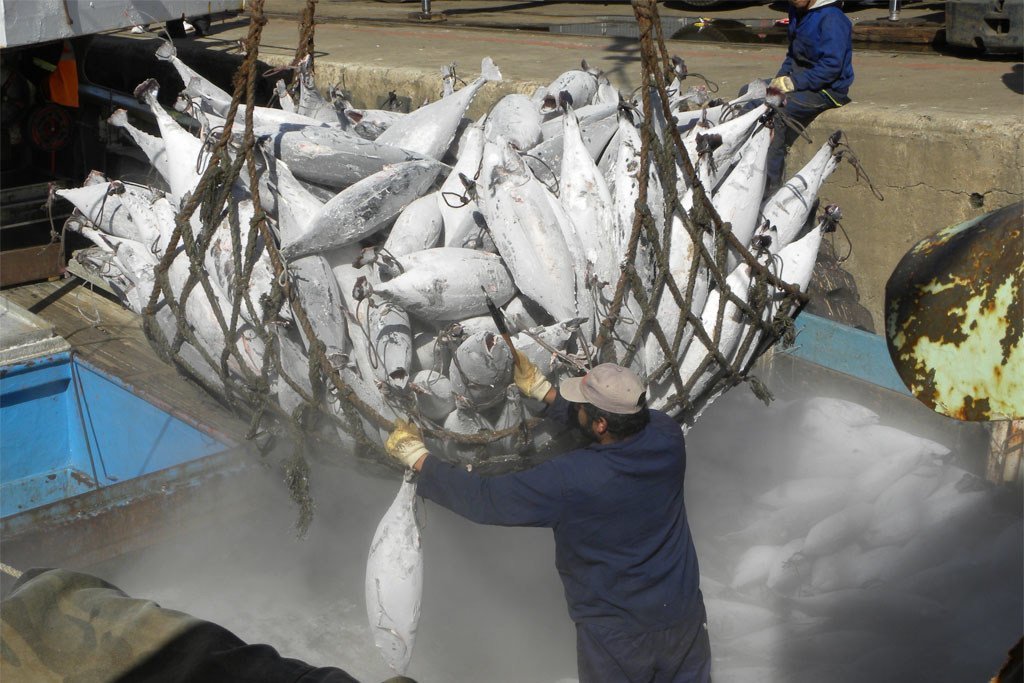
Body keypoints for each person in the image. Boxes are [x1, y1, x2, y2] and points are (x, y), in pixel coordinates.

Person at [385, 356, 710, 682]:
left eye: (581, 406)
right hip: (683, 617)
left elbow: (486, 500)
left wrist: (419, 459)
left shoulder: (571, 479)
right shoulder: (667, 436)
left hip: (616, 635)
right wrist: (545, 393)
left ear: (600, 425)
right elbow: (609, 424)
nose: (577, 408)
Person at [765, 0, 854, 194]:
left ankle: (770, 185)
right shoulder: (796, 10)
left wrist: (793, 84)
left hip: (826, 90)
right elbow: (792, 56)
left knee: (778, 111)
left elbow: (831, 68)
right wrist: (779, 80)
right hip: (799, 80)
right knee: (751, 93)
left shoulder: (832, 18)